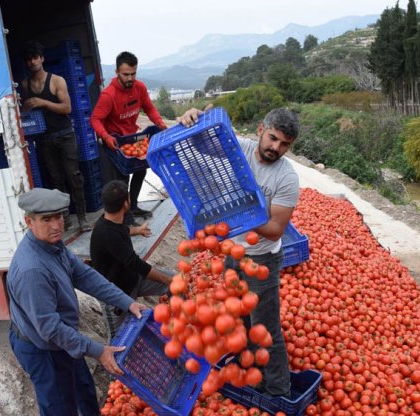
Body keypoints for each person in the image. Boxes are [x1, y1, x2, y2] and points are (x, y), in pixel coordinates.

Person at [7, 187, 147, 416]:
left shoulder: (53, 246)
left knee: (83, 383)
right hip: (41, 348)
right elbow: (50, 330)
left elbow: (84, 276)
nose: (57, 224)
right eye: (47, 219)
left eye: (59, 216)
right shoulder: (32, 269)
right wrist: (98, 350)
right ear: (29, 222)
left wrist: (126, 301)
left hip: (57, 337)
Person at [177, 106, 300, 397]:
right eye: (272, 138)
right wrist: (194, 118)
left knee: (265, 326)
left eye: (284, 144)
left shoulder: (287, 178)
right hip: (234, 253)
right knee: (242, 320)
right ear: (261, 129)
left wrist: (239, 216)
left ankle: (279, 390)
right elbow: (199, 141)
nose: (275, 148)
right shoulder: (238, 149)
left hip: (263, 259)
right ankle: (254, 377)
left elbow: (275, 229)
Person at [20, 41, 92, 232]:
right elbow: (23, 112)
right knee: (56, 181)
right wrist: (27, 106)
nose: (33, 62)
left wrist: (42, 102)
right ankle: (65, 219)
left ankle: (83, 219)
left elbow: (67, 108)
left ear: (42, 59)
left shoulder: (56, 80)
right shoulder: (25, 85)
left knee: (74, 177)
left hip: (65, 134)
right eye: (29, 59)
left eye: (35, 58)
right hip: (44, 138)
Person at [90, 51, 167, 225]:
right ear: (117, 72)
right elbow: (95, 119)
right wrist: (105, 136)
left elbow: (149, 108)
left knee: (141, 169)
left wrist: (160, 123)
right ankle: (125, 217)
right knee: (122, 179)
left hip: (133, 138)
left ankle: (133, 205)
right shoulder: (108, 95)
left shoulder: (139, 88)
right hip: (116, 142)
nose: (130, 78)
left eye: (133, 73)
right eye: (126, 74)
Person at [89, 180, 174, 337]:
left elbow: (121, 230)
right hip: (115, 296)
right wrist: (167, 280)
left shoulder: (108, 220)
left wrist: (137, 230)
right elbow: (136, 264)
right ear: (126, 204)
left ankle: (177, 324)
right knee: (118, 340)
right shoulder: (106, 234)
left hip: (133, 281)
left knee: (176, 284)